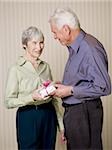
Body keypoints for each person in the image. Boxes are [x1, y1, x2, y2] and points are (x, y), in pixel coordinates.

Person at [49, 8, 111, 150]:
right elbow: (83, 79)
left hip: (84, 112)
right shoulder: (75, 47)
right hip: (76, 114)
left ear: (65, 29)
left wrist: (70, 90)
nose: (54, 36)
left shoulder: (89, 48)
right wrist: (64, 86)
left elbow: (104, 87)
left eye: (54, 32)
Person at [4, 26, 64, 150]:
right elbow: (8, 101)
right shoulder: (16, 69)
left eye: (42, 42)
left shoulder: (45, 67)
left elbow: (54, 99)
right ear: (25, 44)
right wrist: (32, 97)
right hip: (28, 116)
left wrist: (61, 125)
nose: (39, 47)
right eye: (34, 43)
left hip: (48, 114)